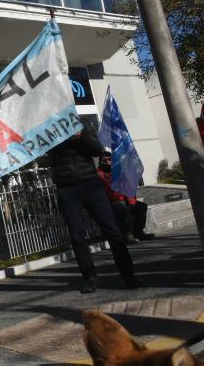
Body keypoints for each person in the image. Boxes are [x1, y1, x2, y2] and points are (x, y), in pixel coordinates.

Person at [46, 122, 141, 293]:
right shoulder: (45, 129)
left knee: (112, 230)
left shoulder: (79, 124)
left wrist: (80, 136)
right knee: (77, 236)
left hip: (91, 184)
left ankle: (128, 275)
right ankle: (89, 278)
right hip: (66, 188)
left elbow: (97, 150)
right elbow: (45, 153)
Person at [97, 151, 155, 244]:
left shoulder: (118, 172)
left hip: (124, 199)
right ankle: (128, 235)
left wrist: (131, 201)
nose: (108, 162)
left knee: (141, 206)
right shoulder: (98, 174)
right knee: (123, 209)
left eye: (110, 159)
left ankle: (139, 232)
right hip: (111, 202)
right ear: (100, 162)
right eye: (105, 160)